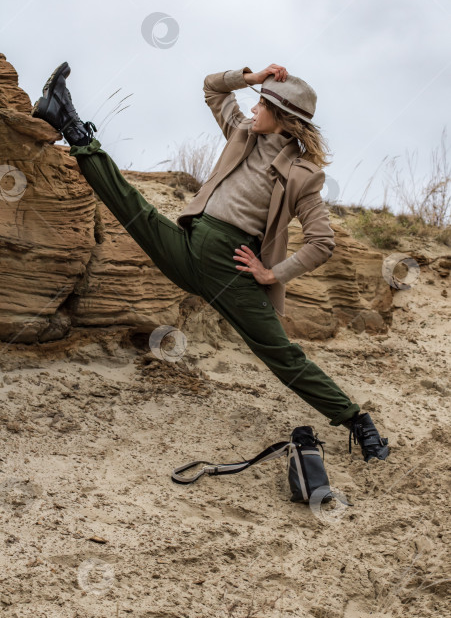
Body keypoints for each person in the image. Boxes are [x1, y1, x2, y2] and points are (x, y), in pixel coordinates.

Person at [30, 61, 389, 463]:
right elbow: (212, 89)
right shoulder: (242, 132)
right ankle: (68, 121)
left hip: (231, 270)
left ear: (283, 118)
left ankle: (357, 422)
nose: (253, 109)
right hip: (190, 246)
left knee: (280, 353)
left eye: (261, 104)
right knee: (131, 207)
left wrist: (272, 272)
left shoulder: (304, 175)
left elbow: (323, 242)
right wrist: (251, 78)